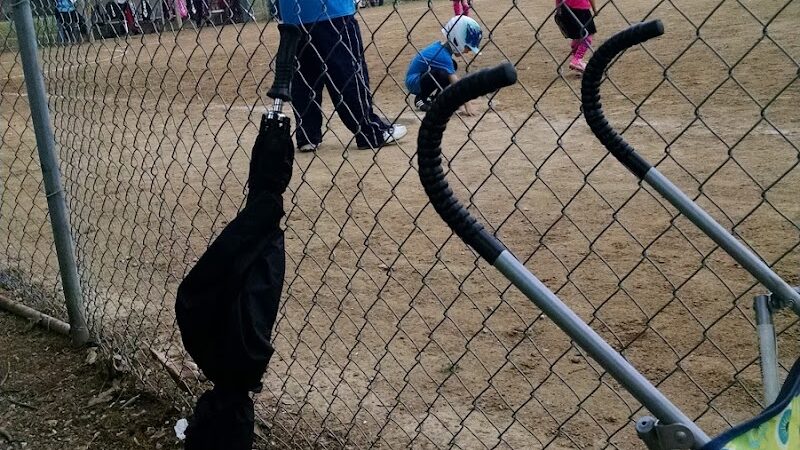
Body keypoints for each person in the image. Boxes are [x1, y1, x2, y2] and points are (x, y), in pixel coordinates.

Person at [277, 0, 407, 152]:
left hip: (292, 16)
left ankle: (307, 135)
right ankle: (369, 131)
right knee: (347, 73)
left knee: (304, 79)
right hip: (332, 13)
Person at [405, 15, 482, 115]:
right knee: (444, 73)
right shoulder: (443, 56)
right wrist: (466, 104)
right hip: (414, 81)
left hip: (422, 77)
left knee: (451, 66)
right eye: (468, 47)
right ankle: (421, 99)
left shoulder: (442, 49)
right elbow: (455, 82)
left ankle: (437, 99)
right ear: (457, 39)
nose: (467, 51)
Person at [554, 0, 597, 73]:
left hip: (566, 9)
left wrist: (558, 9)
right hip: (581, 9)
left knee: (577, 35)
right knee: (588, 34)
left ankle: (575, 58)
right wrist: (594, 9)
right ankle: (577, 59)